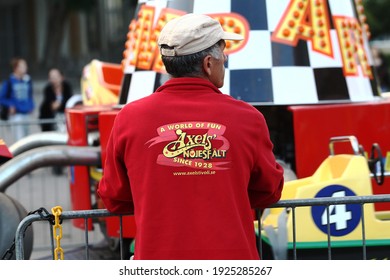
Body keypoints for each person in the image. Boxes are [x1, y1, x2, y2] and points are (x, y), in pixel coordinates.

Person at [97, 13, 284, 260]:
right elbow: (269, 191)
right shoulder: (248, 118)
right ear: (208, 64)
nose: (224, 61)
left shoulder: (129, 118)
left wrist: (157, 194)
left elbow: (114, 198)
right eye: (223, 55)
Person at [0, 58, 35, 142]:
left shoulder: (27, 81)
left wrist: (31, 106)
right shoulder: (9, 82)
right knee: (19, 140)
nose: (25, 68)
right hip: (15, 115)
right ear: (16, 68)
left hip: (26, 113)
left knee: (27, 140)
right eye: (22, 66)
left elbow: (30, 96)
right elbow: (1, 98)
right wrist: (10, 105)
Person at [39, 68, 73, 132]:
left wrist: (60, 104)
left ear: (62, 77)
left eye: (56, 77)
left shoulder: (67, 88)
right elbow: (49, 105)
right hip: (51, 120)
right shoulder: (48, 89)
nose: (54, 79)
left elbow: (69, 102)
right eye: (52, 77)